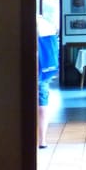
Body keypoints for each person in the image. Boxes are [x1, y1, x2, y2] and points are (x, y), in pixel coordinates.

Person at [37, 14, 59, 149]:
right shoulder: (46, 23)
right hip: (43, 72)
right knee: (42, 105)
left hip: (32, 72)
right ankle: (42, 140)